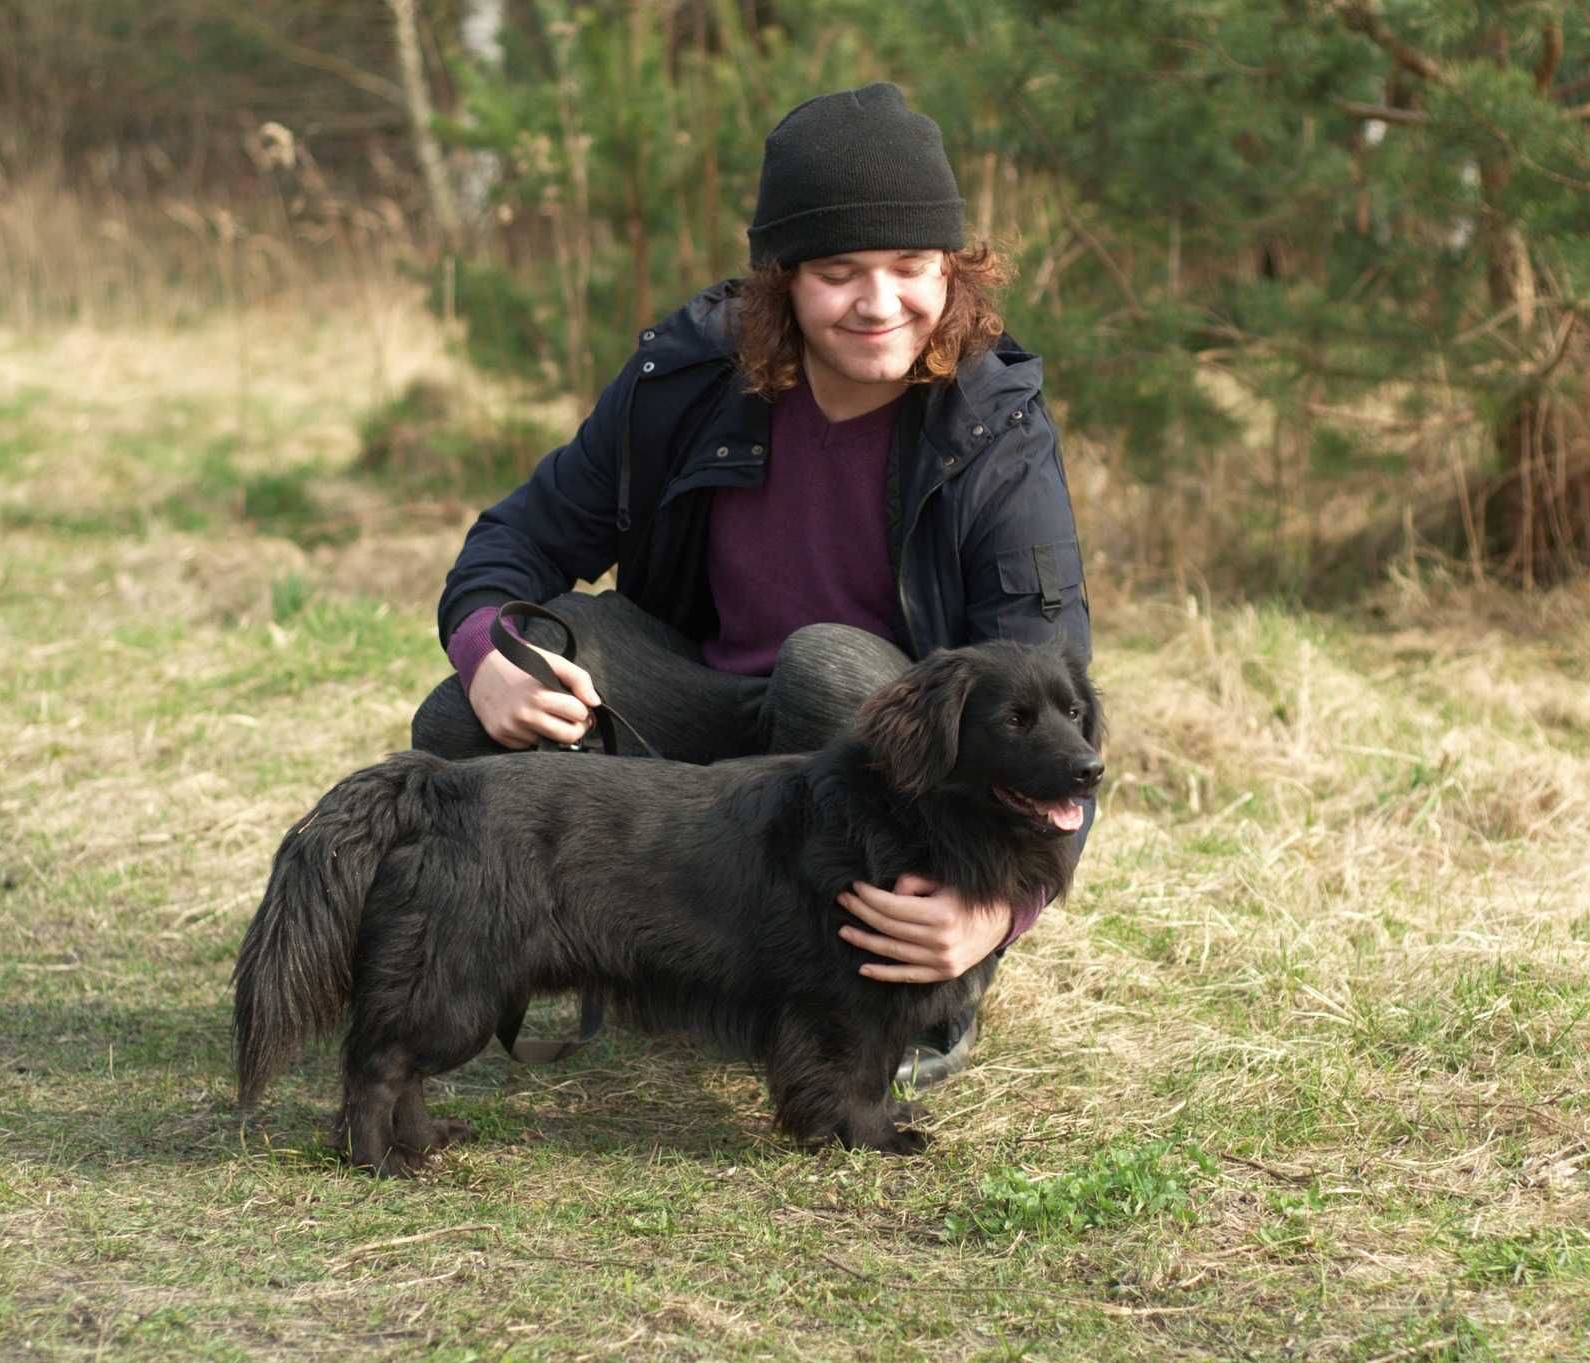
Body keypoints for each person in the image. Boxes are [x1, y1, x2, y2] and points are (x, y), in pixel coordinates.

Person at [409, 82, 1090, 1085]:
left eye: (911, 267)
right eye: (837, 272)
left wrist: (991, 913)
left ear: (953, 271)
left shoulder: (993, 431)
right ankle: (619, 950)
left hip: (859, 747)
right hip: (697, 713)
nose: (878, 302)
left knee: (828, 673)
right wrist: (486, 655)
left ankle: (914, 1000)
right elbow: (516, 539)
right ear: (782, 282)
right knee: (469, 715)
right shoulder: (685, 380)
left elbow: (1056, 704)